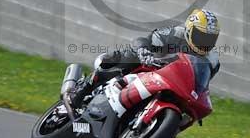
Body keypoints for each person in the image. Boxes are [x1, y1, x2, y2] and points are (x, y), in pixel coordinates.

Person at [66, 9, 221, 118]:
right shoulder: (173, 35)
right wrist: (144, 52)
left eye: (209, 39)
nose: (205, 42)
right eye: (201, 36)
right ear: (189, 30)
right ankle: (81, 91)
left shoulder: (212, 61)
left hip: (171, 82)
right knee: (121, 58)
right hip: (146, 66)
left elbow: (200, 81)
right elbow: (143, 40)